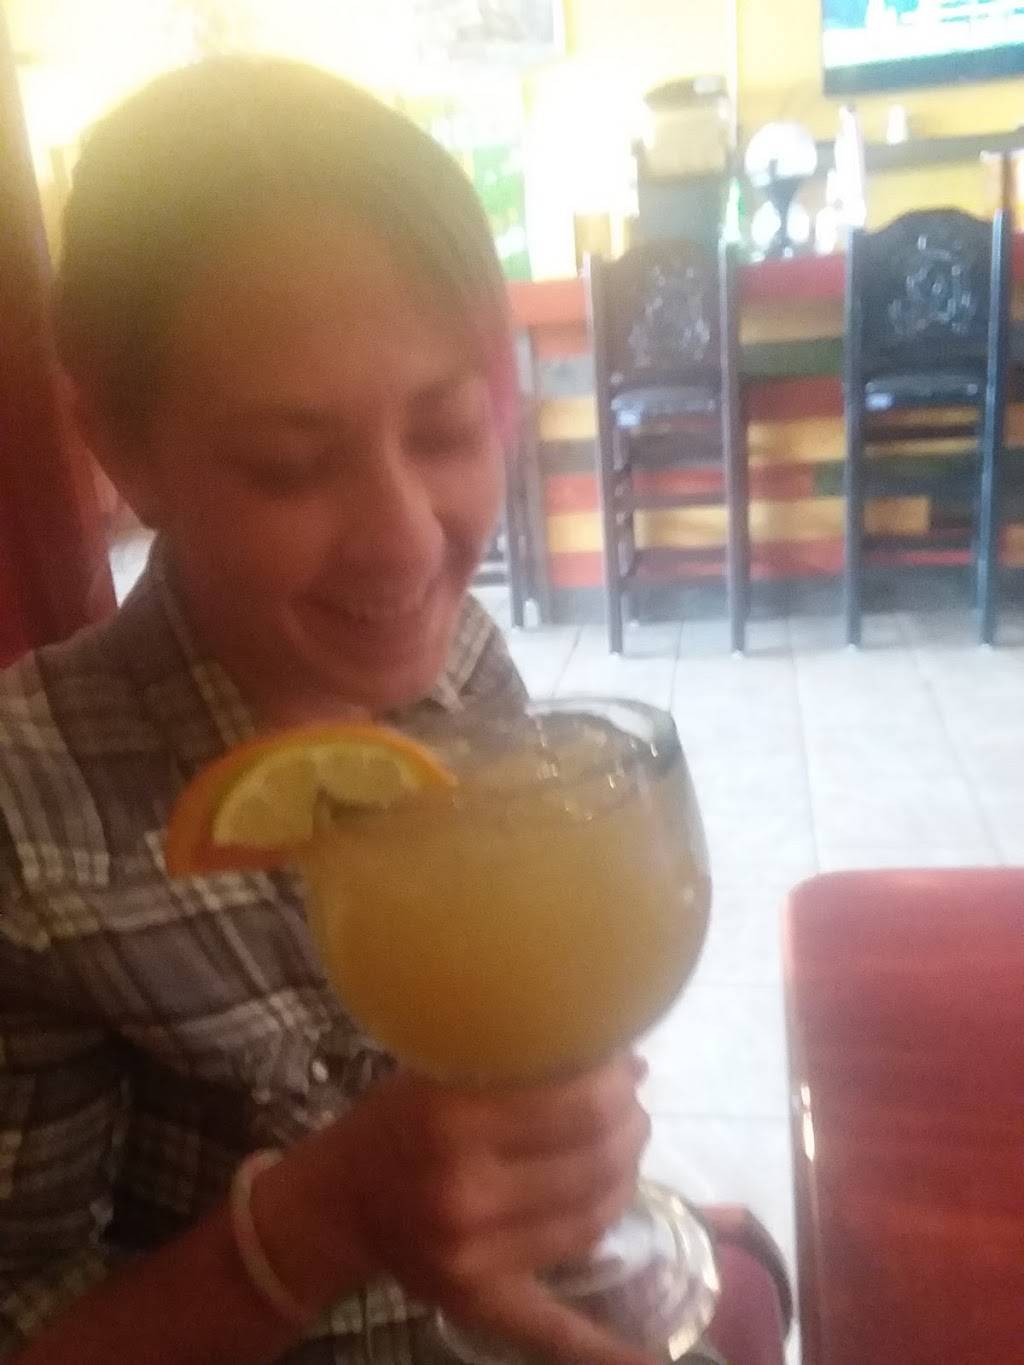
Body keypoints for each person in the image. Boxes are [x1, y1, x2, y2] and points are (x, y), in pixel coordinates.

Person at [0, 57, 653, 1365]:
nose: (405, 544)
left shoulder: (463, 668)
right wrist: (321, 1220)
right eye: (289, 466)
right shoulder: (32, 833)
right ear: (122, 449)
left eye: (445, 431)